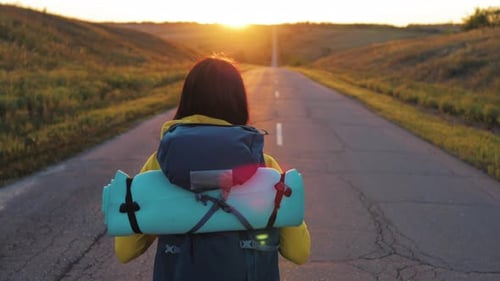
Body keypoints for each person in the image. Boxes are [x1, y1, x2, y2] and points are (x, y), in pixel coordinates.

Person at [114, 55, 311, 281]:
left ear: (186, 100)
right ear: (238, 101)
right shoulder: (264, 167)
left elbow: (125, 250)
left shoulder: (159, 166)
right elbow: (299, 252)